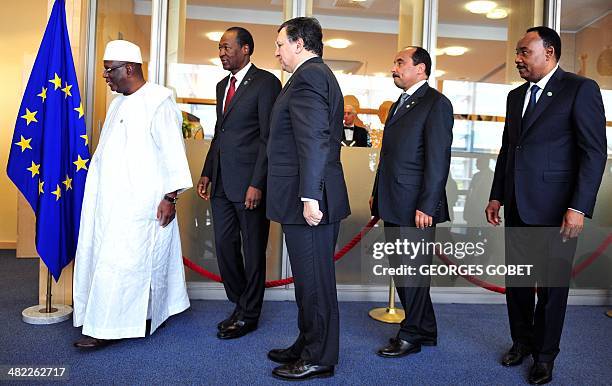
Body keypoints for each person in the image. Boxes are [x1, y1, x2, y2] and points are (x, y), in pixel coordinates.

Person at [485, 26, 606, 385]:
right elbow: (510, 149)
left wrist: (579, 207)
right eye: (518, 52)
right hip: (518, 204)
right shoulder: (514, 96)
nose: (518, 58)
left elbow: (593, 152)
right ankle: (521, 342)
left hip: (558, 209)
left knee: (552, 287)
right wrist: (497, 194)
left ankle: (545, 355)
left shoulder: (580, 89)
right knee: (519, 282)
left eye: (524, 51)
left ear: (549, 52)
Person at [72, 40, 193, 348]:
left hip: (141, 204)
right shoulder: (118, 104)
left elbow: (172, 154)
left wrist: (170, 197)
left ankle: (109, 327)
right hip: (111, 202)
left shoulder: (159, 101)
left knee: (124, 262)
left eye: (109, 70)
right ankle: (120, 316)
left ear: (130, 68)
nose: (105, 76)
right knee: (117, 260)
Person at [265, 17, 350, 381]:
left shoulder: (311, 76)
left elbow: (314, 139)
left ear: (300, 44)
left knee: (315, 282)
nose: (277, 51)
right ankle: (307, 341)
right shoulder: (308, 76)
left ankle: (320, 357)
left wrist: (310, 197)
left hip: (312, 200)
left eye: (281, 44)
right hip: (306, 196)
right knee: (306, 279)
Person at [197, 27, 281, 340]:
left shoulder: (266, 83)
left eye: (226, 47)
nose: (221, 53)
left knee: (253, 249)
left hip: (249, 186)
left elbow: (267, 137)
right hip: (220, 182)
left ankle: (249, 315)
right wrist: (207, 171)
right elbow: (220, 132)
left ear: (245, 49)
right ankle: (240, 302)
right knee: (224, 246)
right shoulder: (222, 86)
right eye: (219, 48)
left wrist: (258, 183)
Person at [370, 46, 453, 358]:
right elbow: (388, 156)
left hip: (416, 206)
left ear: (421, 69)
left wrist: (428, 205)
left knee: (413, 273)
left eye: (400, 62)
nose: (394, 67)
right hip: (393, 200)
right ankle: (427, 328)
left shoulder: (436, 104)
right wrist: (378, 191)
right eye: (394, 63)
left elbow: (438, 160)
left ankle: (412, 334)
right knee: (403, 271)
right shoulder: (397, 105)